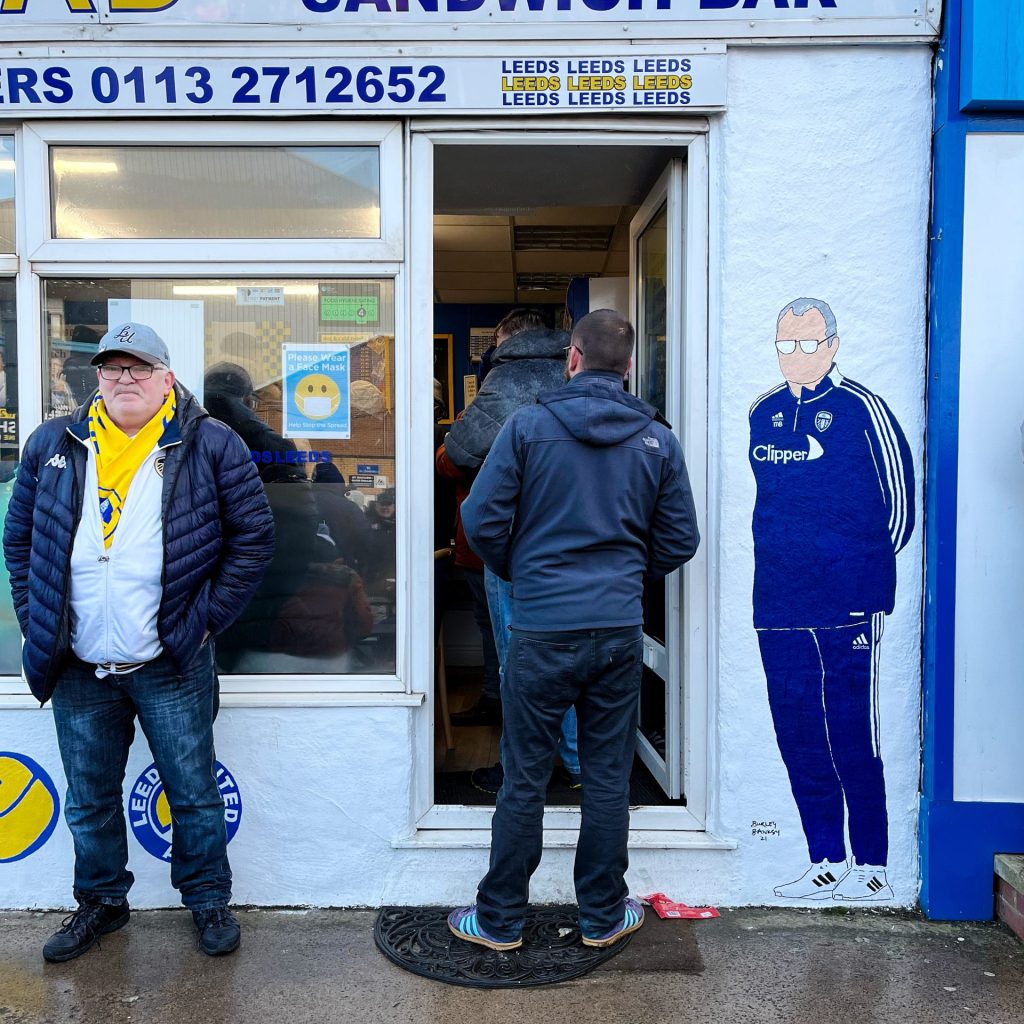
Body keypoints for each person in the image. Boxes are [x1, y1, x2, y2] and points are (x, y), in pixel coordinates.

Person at [3, 322, 274, 962]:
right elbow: (19, 543)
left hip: (171, 660)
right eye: (112, 368)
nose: (125, 378)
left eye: (139, 368)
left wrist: (204, 621)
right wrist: (38, 614)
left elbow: (253, 539)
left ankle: (207, 898)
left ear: (167, 378)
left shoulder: (210, 443)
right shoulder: (53, 443)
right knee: (89, 799)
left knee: (193, 793)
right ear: (95, 378)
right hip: (77, 662)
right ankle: (101, 902)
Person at [447, 309, 699, 951]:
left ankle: (499, 921)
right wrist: (623, 575)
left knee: (524, 775)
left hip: (540, 629)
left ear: (572, 359)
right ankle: (602, 917)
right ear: (629, 367)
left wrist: (526, 574)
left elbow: (481, 522)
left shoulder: (527, 427)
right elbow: (680, 540)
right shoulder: (658, 440)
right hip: (616, 630)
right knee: (609, 777)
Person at [749, 298, 914, 902]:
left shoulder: (861, 409)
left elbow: (899, 508)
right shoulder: (762, 411)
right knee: (798, 733)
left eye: (809, 344)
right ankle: (825, 856)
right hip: (778, 605)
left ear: (833, 345)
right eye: (786, 346)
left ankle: (870, 862)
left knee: (850, 731)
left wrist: (857, 581)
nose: (797, 357)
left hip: (847, 607)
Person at [443, 308, 580, 790]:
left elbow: (457, 455)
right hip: (576, 550)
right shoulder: (577, 374)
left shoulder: (506, 379)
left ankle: (522, 771)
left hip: (516, 550)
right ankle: (581, 766)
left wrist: (494, 553)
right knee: (571, 662)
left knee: (516, 664)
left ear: (507, 342)